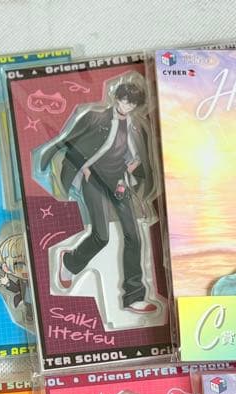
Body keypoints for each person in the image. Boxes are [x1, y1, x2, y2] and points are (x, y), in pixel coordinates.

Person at [36, 81, 159, 314]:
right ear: (117, 98)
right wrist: (75, 165)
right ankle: (70, 262)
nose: (126, 106)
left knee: (134, 237)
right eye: (124, 100)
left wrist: (135, 171)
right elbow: (71, 140)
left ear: (136, 106)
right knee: (101, 236)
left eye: (132, 103)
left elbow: (139, 159)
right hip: (93, 179)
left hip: (119, 181)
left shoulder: (135, 127)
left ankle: (134, 296)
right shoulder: (95, 117)